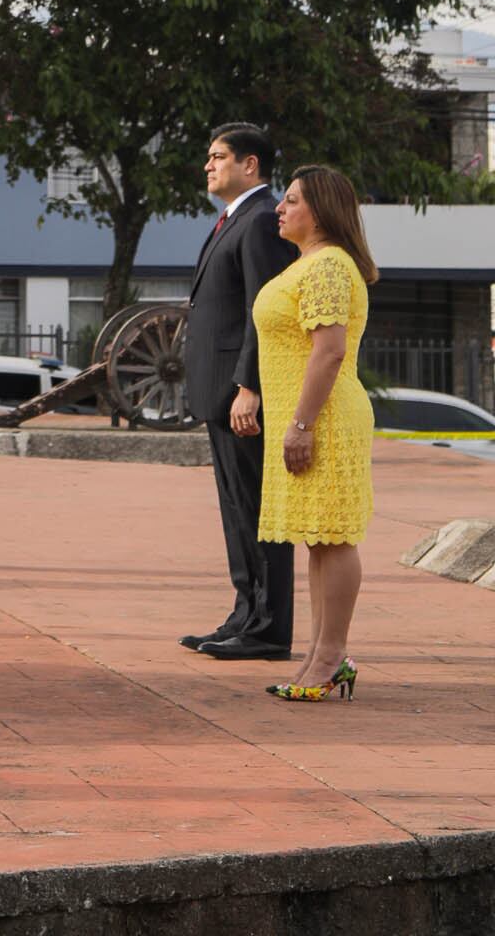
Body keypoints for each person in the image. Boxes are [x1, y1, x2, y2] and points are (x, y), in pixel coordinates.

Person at [254, 165, 376, 702]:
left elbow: (329, 351)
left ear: (321, 210)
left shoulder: (327, 266)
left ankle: (331, 655)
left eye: (291, 200)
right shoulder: (306, 263)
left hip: (324, 416)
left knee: (335, 535)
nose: (279, 208)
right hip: (304, 415)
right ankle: (319, 651)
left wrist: (300, 424)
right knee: (318, 538)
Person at [180, 123, 296, 661]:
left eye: (218, 156)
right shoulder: (232, 219)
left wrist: (249, 385)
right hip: (219, 394)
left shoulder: (261, 223)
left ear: (251, 165)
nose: (208, 165)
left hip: (243, 395)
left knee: (258, 510)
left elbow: (264, 313)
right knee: (236, 509)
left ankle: (270, 629)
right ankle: (244, 613)